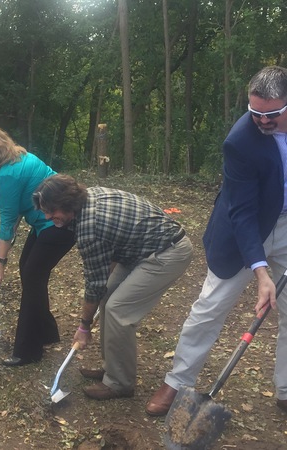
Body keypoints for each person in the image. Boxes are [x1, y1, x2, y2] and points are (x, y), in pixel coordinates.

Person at [146, 65, 287, 416]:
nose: (262, 121)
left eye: (272, 114)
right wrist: (260, 271)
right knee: (209, 308)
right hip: (245, 227)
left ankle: (285, 388)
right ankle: (177, 382)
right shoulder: (240, 141)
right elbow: (241, 212)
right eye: (255, 112)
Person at [32, 174, 193, 399]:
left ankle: (120, 384)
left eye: (53, 211)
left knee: (118, 310)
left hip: (167, 252)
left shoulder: (90, 227)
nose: (49, 217)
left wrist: (84, 327)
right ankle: (112, 369)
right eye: (46, 211)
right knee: (108, 297)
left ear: (68, 203)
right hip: (139, 248)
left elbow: (94, 284)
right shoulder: (87, 197)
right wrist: (103, 288)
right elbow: (107, 260)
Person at [0, 125, 75, 366]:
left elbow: (7, 221)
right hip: (47, 223)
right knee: (29, 270)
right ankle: (46, 333)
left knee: (32, 278)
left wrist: (0, 262)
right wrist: (5, 248)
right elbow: (12, 216)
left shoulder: (7, 176)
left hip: (58, 224)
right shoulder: (20, 156)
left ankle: (28, 350)